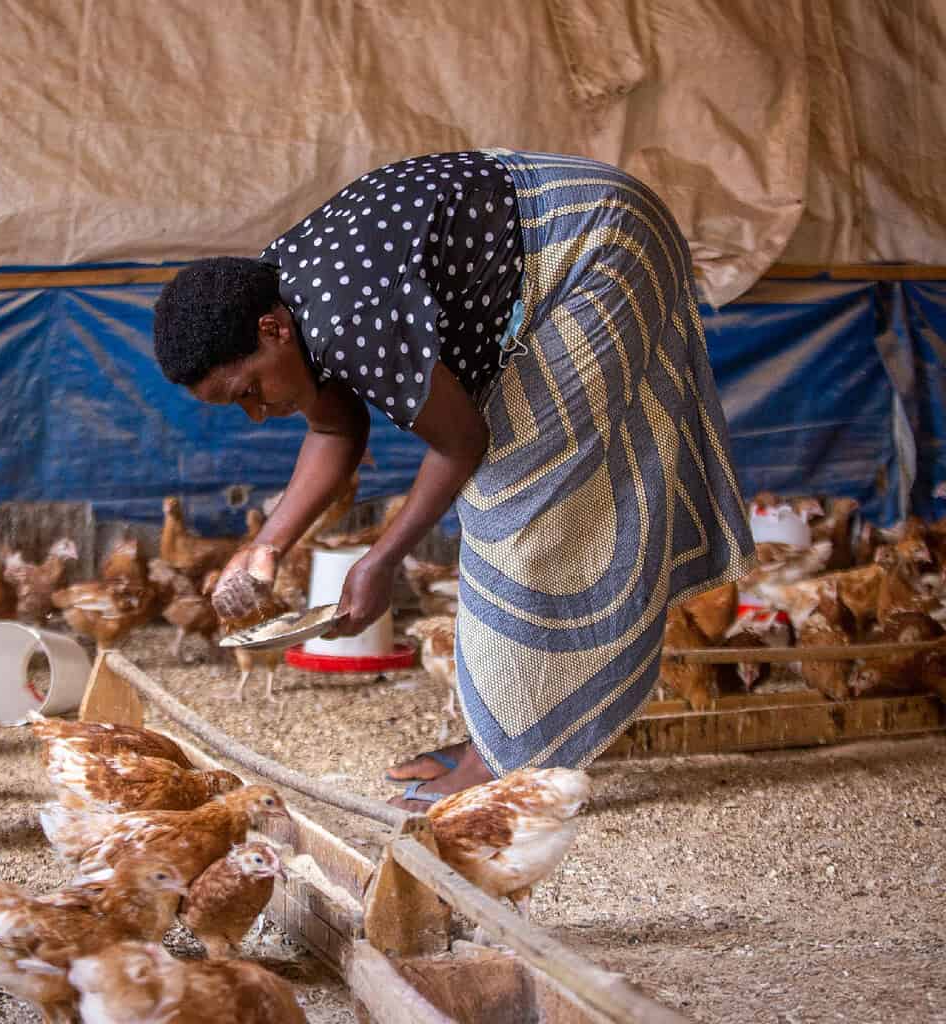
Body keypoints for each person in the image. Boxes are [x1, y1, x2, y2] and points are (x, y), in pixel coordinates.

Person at [153, 149, 755, 811]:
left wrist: (381, 562)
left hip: (596, 241)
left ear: (273, 331)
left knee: (520, 500)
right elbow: (334, 432)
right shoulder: (276, 302)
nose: (257, 412)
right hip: (550, 223)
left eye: (250, 390)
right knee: (508, 492)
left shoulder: (347, 316)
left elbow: (464, 441)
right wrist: (265, 547)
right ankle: (501, 733)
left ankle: (500, 757)